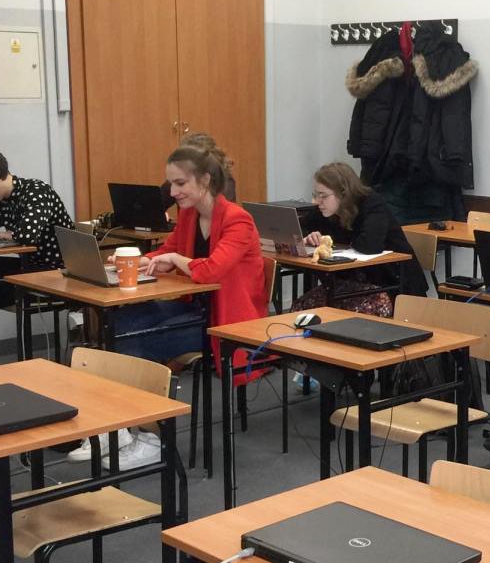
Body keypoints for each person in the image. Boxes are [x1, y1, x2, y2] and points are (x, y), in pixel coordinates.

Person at [77, 136, 267, 470]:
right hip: (196, 307)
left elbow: (211, 270)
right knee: (118, 325)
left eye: (180, 183)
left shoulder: (238, 220)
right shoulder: (190, 215)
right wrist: (139, 261)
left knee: (136, 342)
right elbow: (169, 250)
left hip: (225, 321)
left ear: (205, 180)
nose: (173, 191)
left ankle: (151, 438)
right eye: (172, 183)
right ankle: (117, 426)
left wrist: (177, 260)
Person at [0, 145, 74, 367]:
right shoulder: (0, 200)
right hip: (26, 266)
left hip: (50, 272)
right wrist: (4, 234)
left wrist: (9, 235)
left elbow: (28, 235)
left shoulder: (36, 191)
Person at [292, 161, 428, 316]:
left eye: (323, 196)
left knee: (340, 315)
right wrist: (310, 236)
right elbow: (301, 226)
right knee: (301, 308)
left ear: (343, 194)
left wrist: (332, 237)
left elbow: (369, 245)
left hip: (392, 285)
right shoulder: (326, 209)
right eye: (315, 195)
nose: (317, 201)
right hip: (352, 284)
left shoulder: (372, 203)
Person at [159, 132, 236, 210]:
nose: (173, 193)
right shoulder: (179, 177)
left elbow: (222, 211)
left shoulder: (225, 181)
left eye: (181, 183)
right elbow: (158, 203)